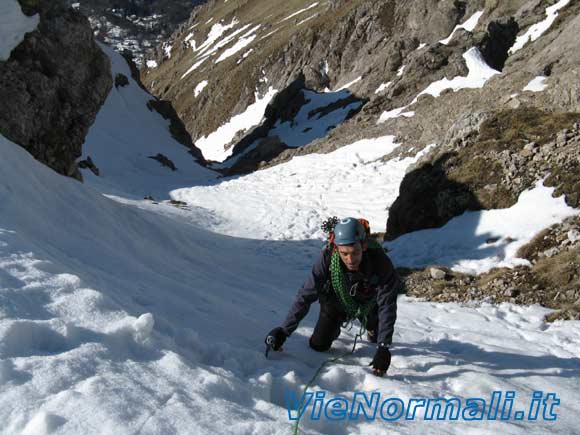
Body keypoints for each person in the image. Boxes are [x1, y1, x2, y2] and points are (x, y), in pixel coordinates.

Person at [265, 217, 401, 377]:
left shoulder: (380, 261)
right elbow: (306, 294)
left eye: (355, 252)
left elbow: (387, 304)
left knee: (378, 337)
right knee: (318, 345)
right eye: (344, 254)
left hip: (369, 303)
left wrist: (384, 346)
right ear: (336, 248)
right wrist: (284, 330)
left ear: (364, 246)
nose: (350, 259)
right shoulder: (327, 258)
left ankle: (372, 326)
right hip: (336, 303)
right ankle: (336, 324)